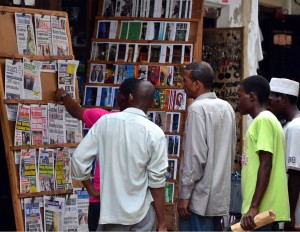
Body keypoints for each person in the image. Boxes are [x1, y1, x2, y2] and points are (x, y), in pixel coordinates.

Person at [72, 78, 168, 231]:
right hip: (142, 214)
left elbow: (78, 159)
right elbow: (156, 182)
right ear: (151, 104)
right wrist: (162, 223)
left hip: (111, 212)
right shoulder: (155, 133)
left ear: (129, 97)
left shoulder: (105, 122)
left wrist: (91, 190)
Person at [177, 61, 236, 231]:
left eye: (185, 80)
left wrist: (185, 195)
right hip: (219, 197)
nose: (183, 85)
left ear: (197, 84)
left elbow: (195, 156)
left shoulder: (197, 109)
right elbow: (230, 152)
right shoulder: (227, 108)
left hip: (199, 199)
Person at [237, 75, 290, 231]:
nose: (237, 100)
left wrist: (254, 207)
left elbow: (266, 164)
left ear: (252, 96)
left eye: (240, 96)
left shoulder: (264, 120)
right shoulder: (265, 120)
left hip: (261, 213)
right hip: (261, 212)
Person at [55, 88, 111, 231]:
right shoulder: (148, 129)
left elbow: (75, 110)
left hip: (101, 200)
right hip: (131, 203)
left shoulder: (103, 118)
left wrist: (63, 95)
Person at [268, 77, 300, 231]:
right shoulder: (289, 126)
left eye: (271, 99)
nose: (268, 103)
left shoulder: (295, 128)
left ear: (283, 99)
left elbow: (295, 174)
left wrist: (289, 215)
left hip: (293, 212)